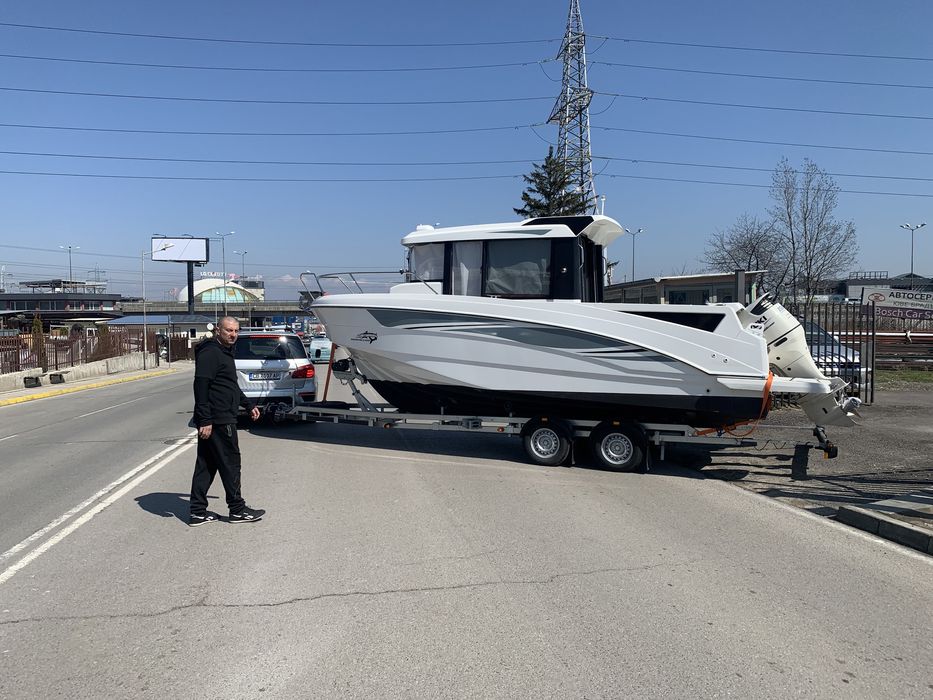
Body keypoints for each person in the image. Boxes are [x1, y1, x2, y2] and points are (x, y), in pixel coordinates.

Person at [189, 316, 265, 526]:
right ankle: (237, 510)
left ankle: (197, 511)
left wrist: (248, 405)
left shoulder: (224, 352)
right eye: (228, 331)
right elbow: (201, 387)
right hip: (218, 419)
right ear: (218, 331)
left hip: (218, 417)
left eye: (236, 331)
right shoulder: (211, 352)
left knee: (206, 465)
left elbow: (229, 385)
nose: (233, 335)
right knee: (231, 463)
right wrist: (205, 419)